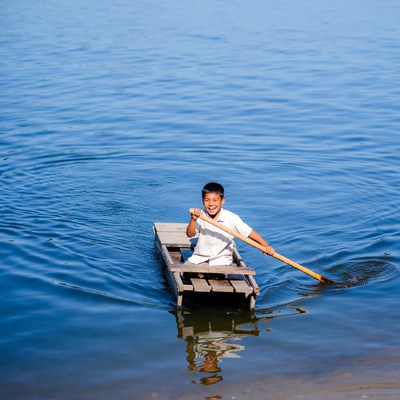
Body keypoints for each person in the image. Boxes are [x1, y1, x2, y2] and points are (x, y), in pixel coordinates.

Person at [186, 182, 274, 266]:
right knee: (184, 272)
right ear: (202, 201)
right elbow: (190, 234)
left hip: (221, 260)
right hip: (200, 258)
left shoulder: (231, 218)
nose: (211, 204)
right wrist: (193, 219)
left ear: (222, 201)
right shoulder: (200, 215)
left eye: (215, 200)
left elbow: (249, 232)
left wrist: (265, 245)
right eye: (207, 200)